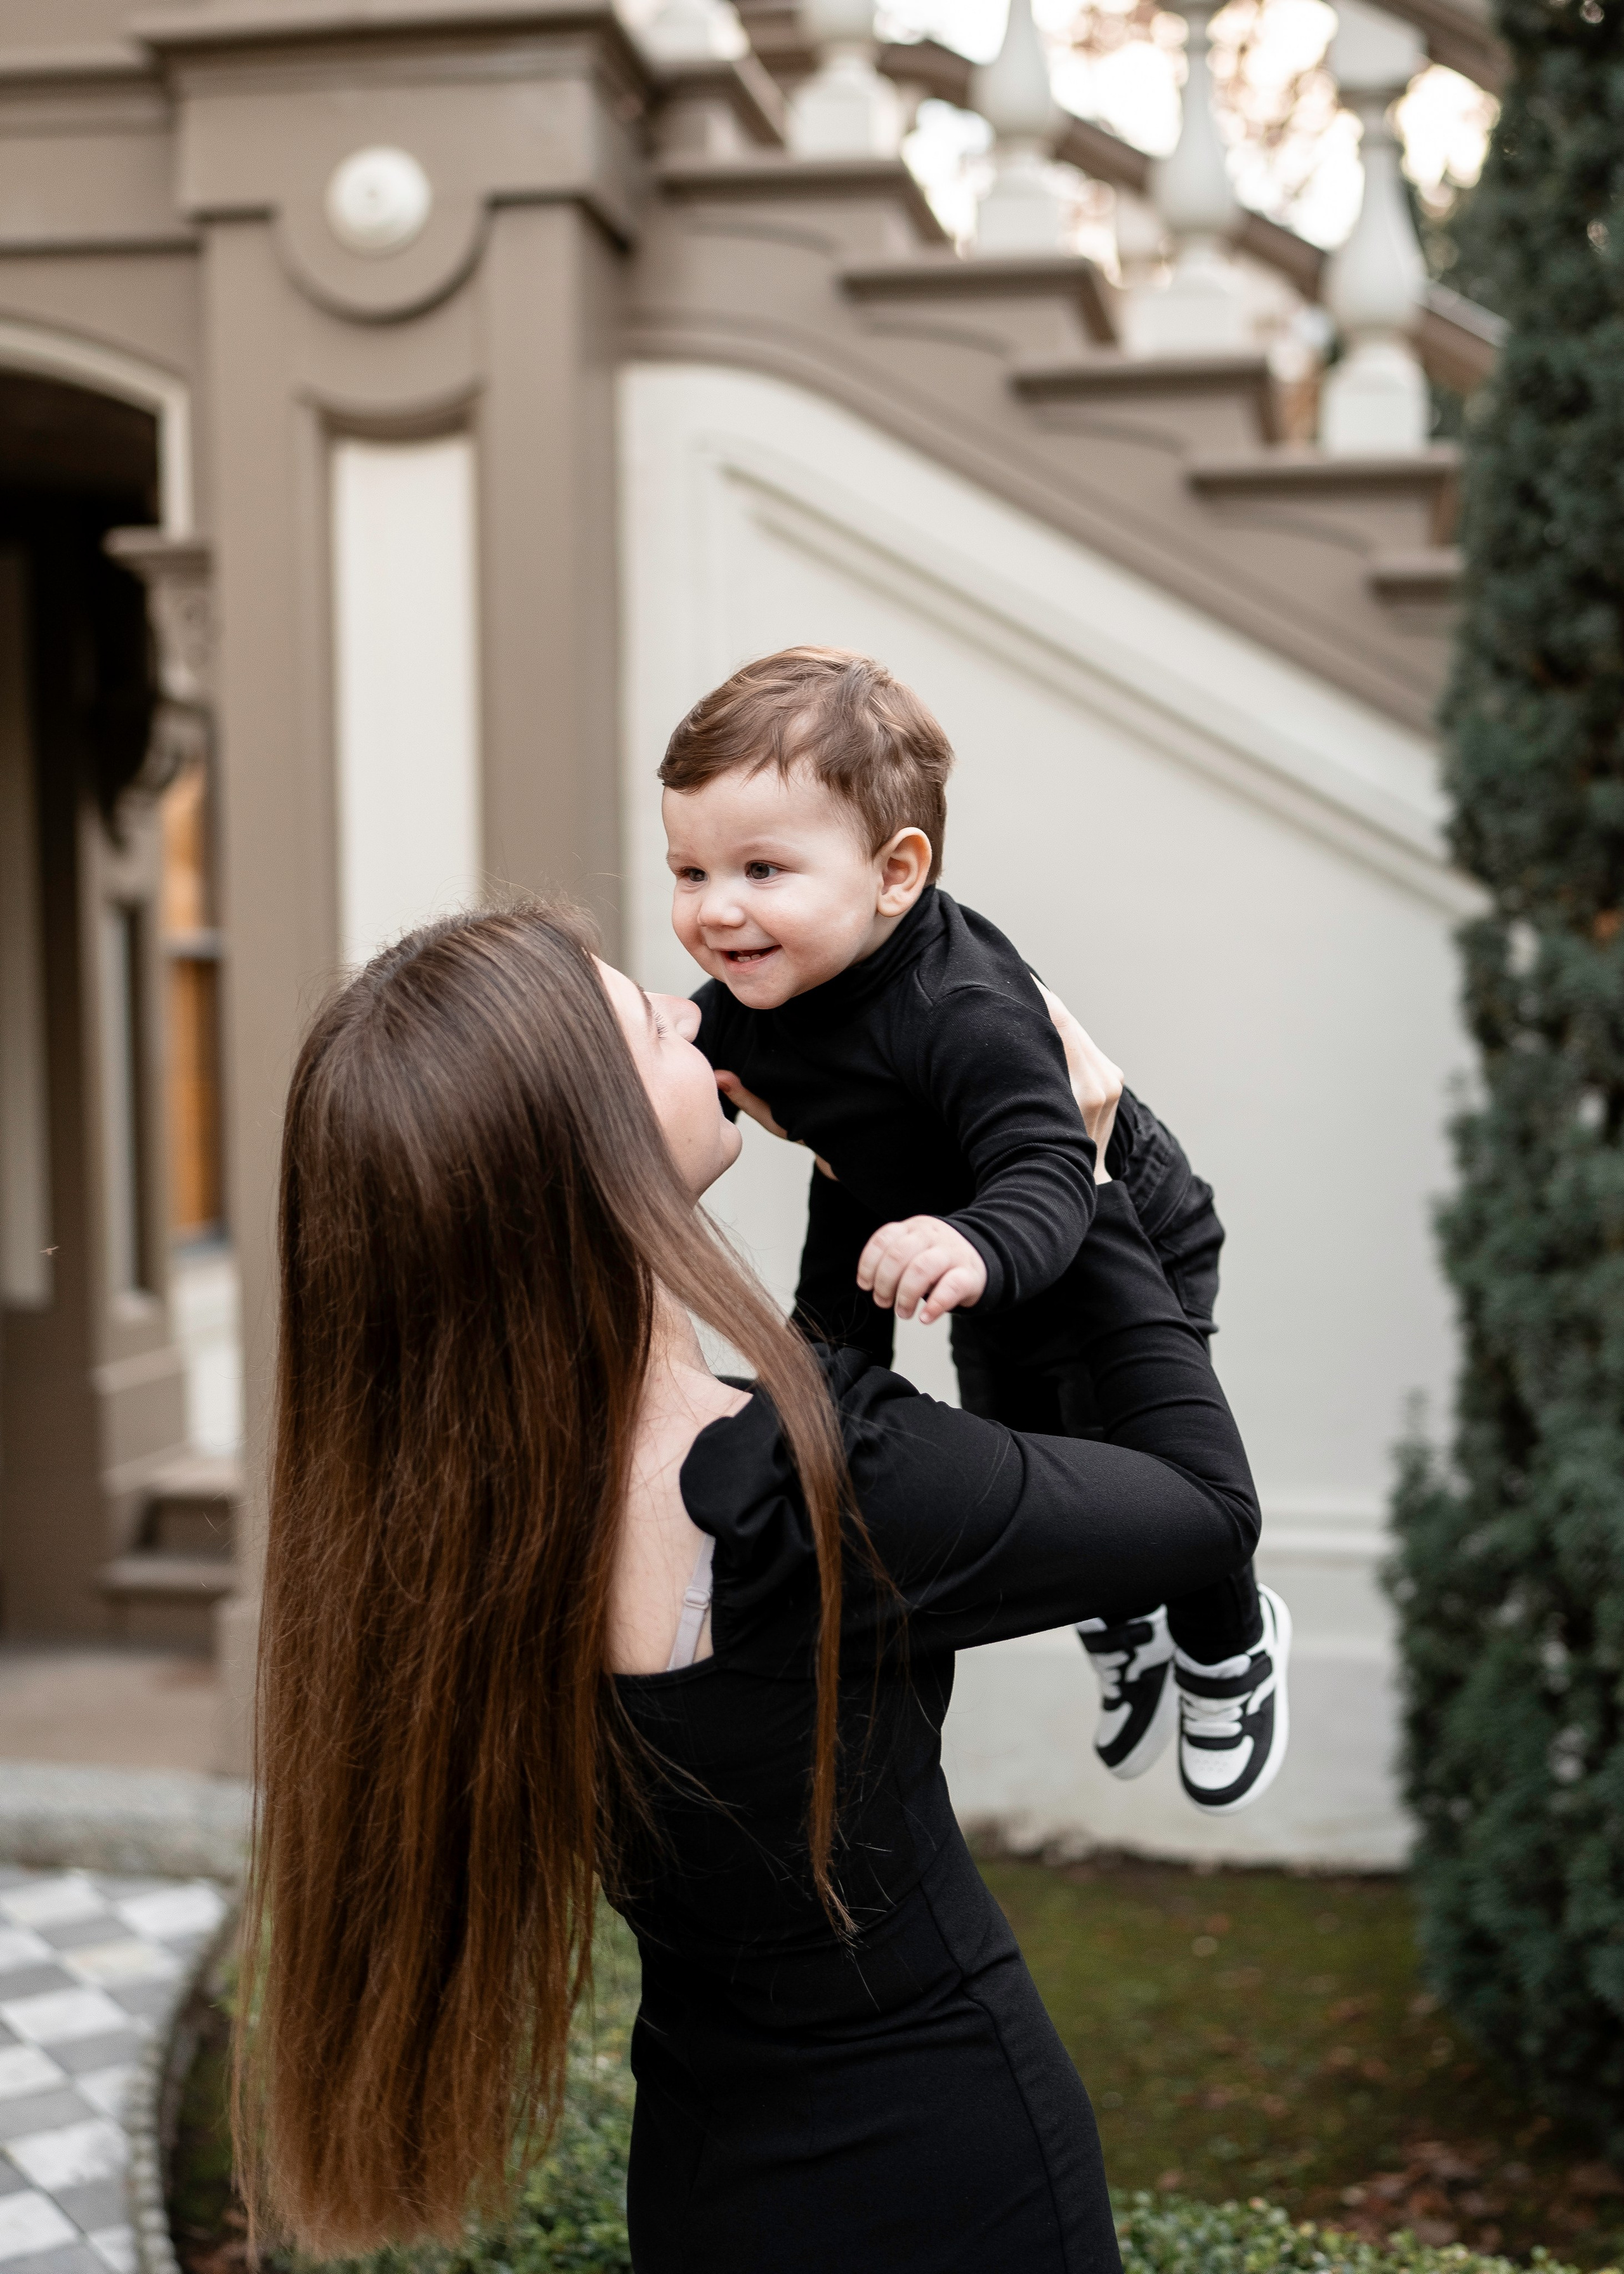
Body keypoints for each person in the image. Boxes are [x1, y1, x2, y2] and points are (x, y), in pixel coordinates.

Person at [239, 902, 1263, 2273]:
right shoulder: (821, 1489)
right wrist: (1079, 1177)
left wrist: (875, 1146)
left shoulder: (451, 1527)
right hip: (951, 2170)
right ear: (582, 1149)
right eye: (644, 1022)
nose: (691, 1012)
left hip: (707, 2177)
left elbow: (815, 1354)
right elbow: (1202, 1511)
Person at [659, 647, 1289, 1814]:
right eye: (688, 871)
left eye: (760, 867)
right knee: (1026, 1441)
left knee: (1133, 1444)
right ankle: (1123, 1630)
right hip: (950, 1242)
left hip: (1101, 1224)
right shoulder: (762, 992)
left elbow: (1056, 1164)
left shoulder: (964, 1010)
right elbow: (663, 1064)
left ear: (897, 873)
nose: (716, 909)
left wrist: (977, 1247)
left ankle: (1228, 1643)